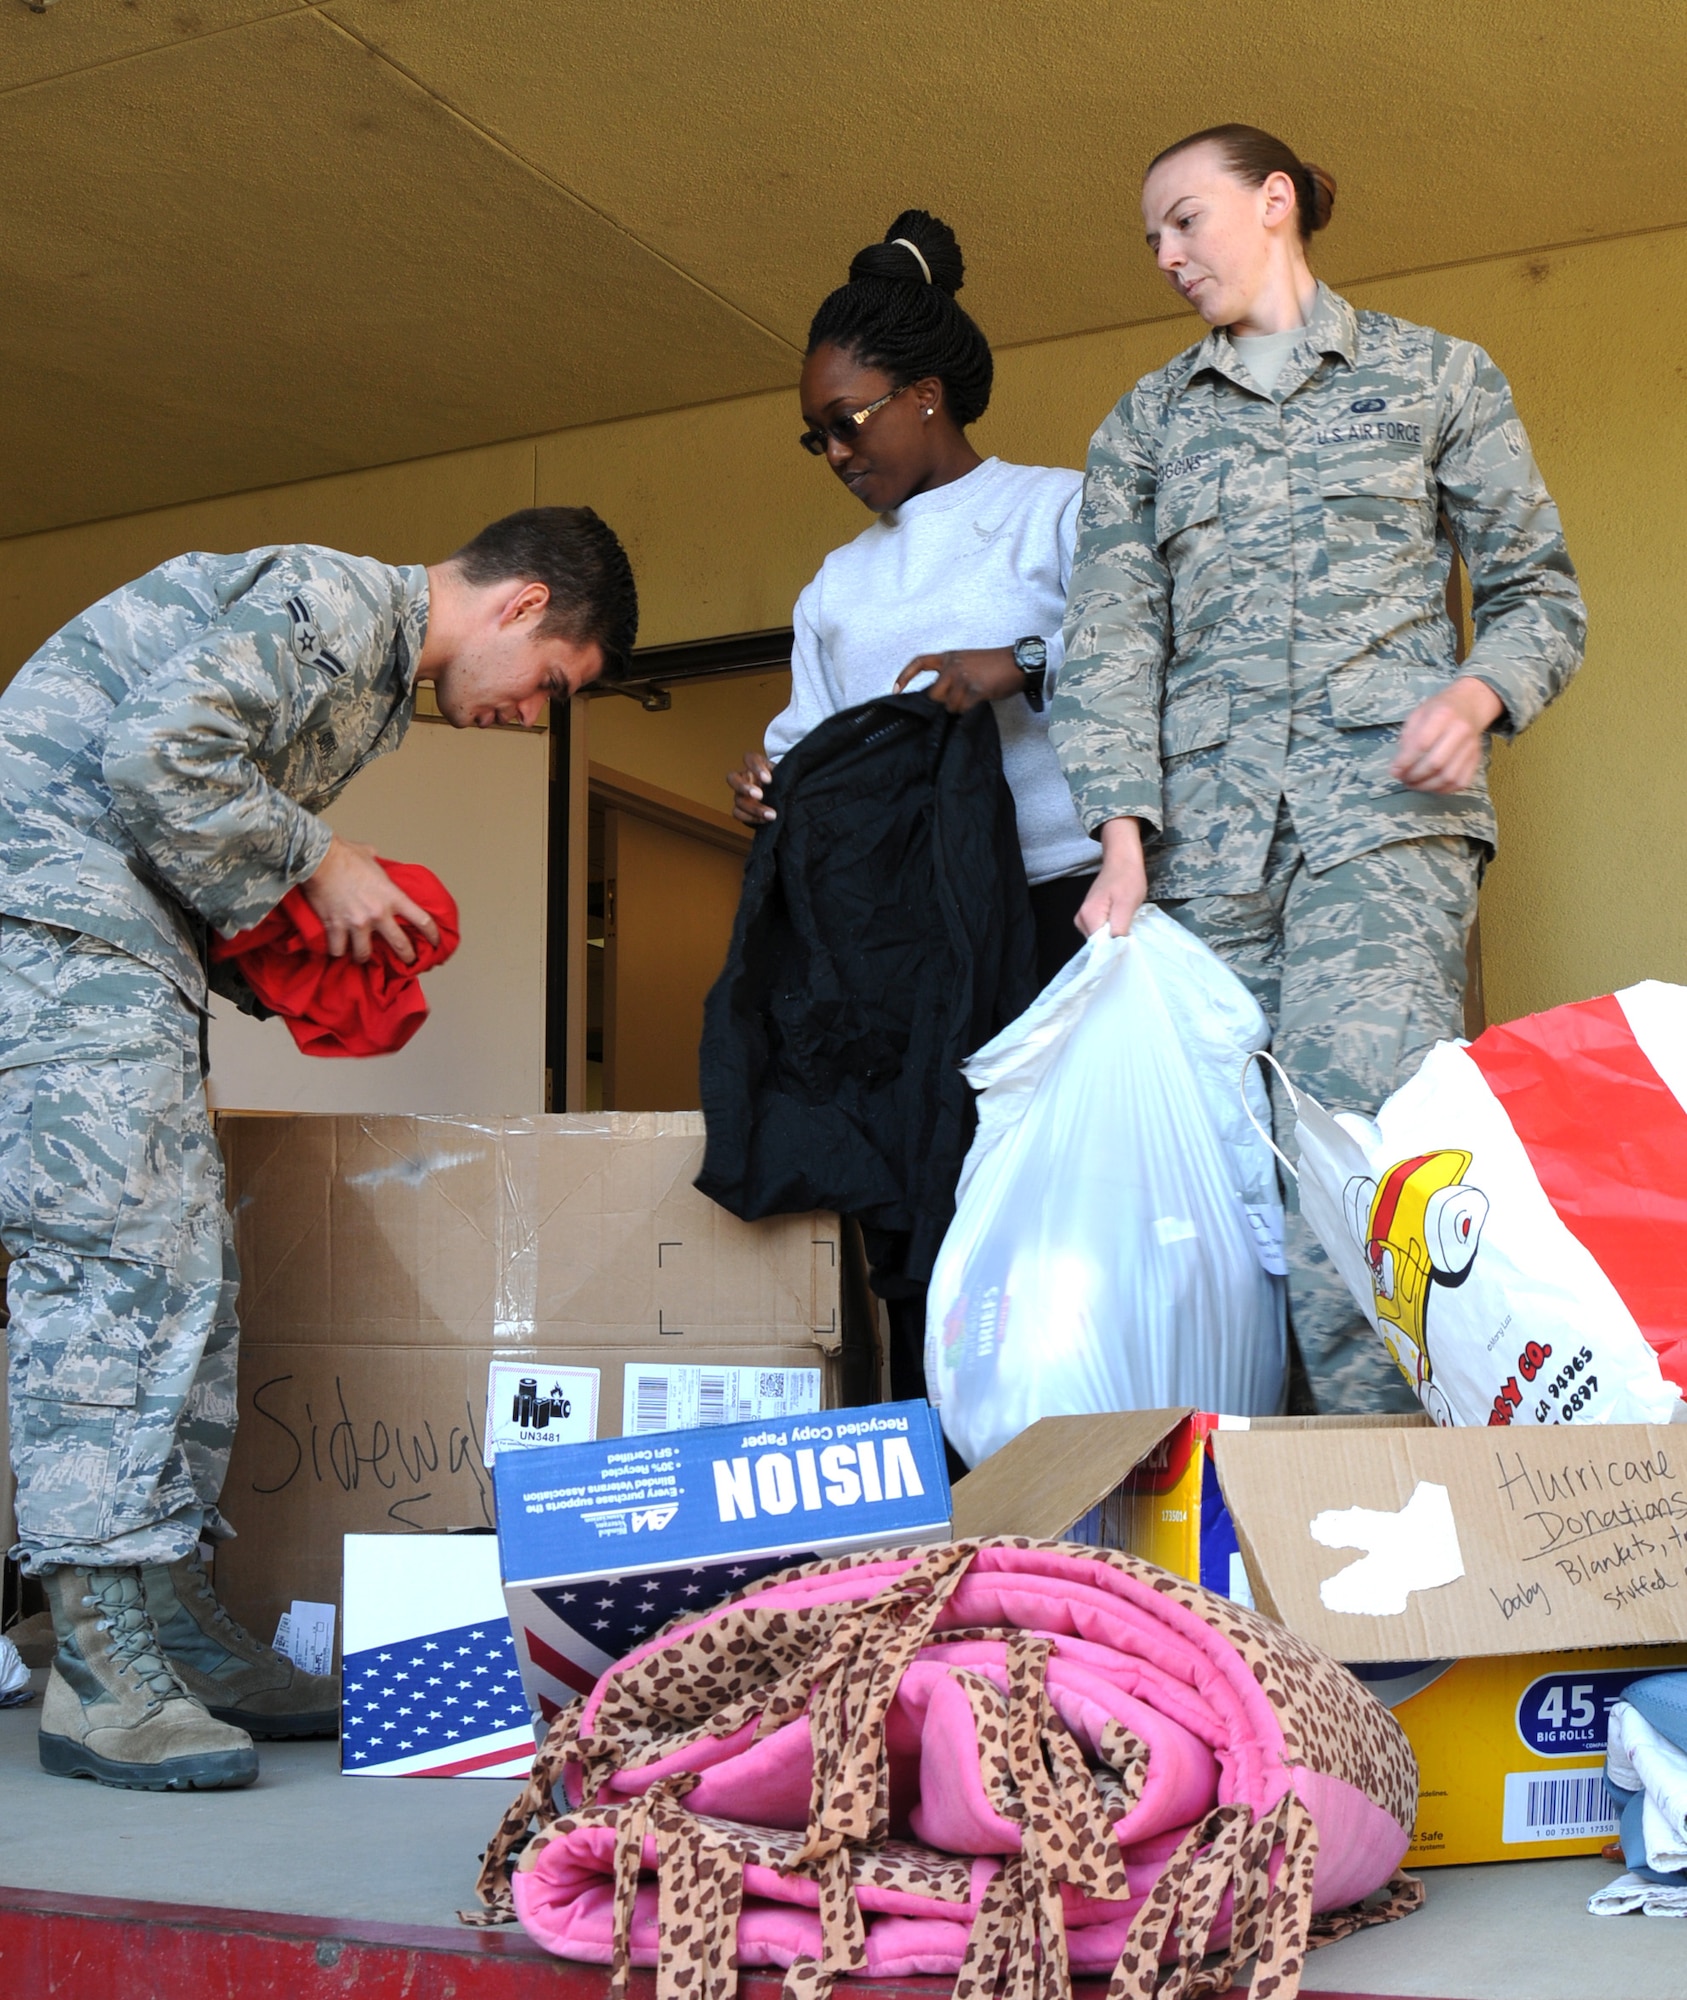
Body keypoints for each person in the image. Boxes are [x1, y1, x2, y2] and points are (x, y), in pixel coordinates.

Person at [0, 507, 637, 1788]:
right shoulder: (335, 606)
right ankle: (97, 1660)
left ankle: (168, 1614)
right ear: (518, 606)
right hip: (55, 947)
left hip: (109, 953)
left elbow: (180, 809)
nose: (530, 715)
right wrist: (320, 857)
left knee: (186, 1288)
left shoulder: (368, 663)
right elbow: (157, 751)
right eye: (551, 685)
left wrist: (281, 951)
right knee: (115, 1285)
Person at [1050, 125, 1585, 1414]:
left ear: (1275, 201)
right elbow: (1111, 639)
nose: (1167, 257)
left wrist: (1477, 689)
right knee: (1210, 1187)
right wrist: (1119, 839)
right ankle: (1224, 1517)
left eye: (1186, 220)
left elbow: (1538, 596)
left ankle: (1376, 1525)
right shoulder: (1147, 424)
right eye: (1152, 239)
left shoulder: (1435, 376)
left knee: (1356, 1159)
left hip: (1381, 832)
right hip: (1203, 856)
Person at [726, 209, 1100, 1402]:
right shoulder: (836, 585)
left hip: (1060, 907)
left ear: (925, 395)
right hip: (910, 946)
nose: (836, 453)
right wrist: (770, 779)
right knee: (935, 1196)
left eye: (848, 421)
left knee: (1062, 1198)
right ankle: (947, 1453)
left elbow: (1155, 649)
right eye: (813, 439)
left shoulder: (1058, 511)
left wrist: (1020, 661)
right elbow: (809, 735)